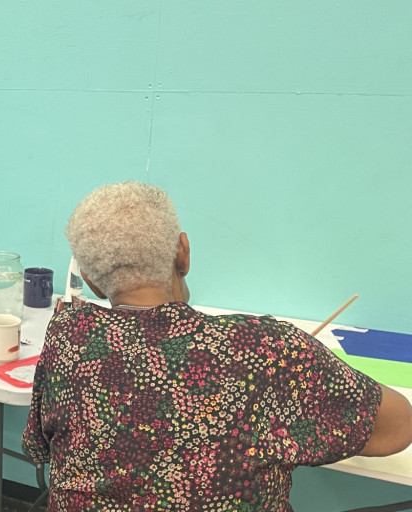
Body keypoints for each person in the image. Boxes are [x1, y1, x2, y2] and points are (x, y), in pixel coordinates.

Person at [22, 181, 412, 511]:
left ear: (90, 281)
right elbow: (398, 425)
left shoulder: (68, 335)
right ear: (183, 253)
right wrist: (297, 385)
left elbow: (39, 447)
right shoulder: (267, 350)